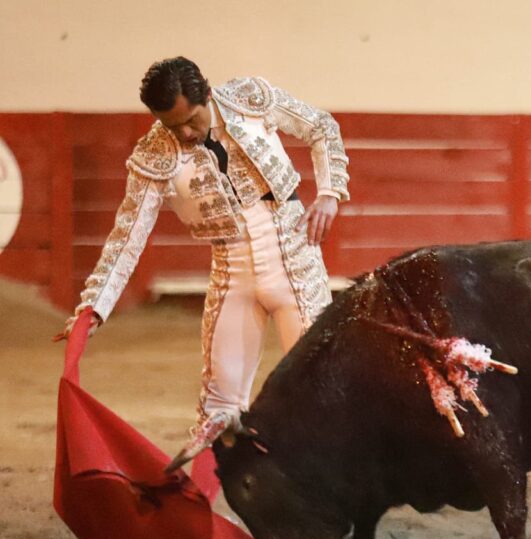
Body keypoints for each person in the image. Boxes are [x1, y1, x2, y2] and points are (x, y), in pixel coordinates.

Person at [55, 57, 350, 445]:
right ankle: (203, 506)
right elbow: (128, 235)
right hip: (232, 270)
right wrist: (95, 305)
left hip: (295, 252)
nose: (185, 133)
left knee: (321, 384)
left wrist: (329, 192)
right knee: (218, 407)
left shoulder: (249, 98)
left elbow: (321, 127)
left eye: (191, 119)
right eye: (171, 125)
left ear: (207, 96)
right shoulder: (155, 153)